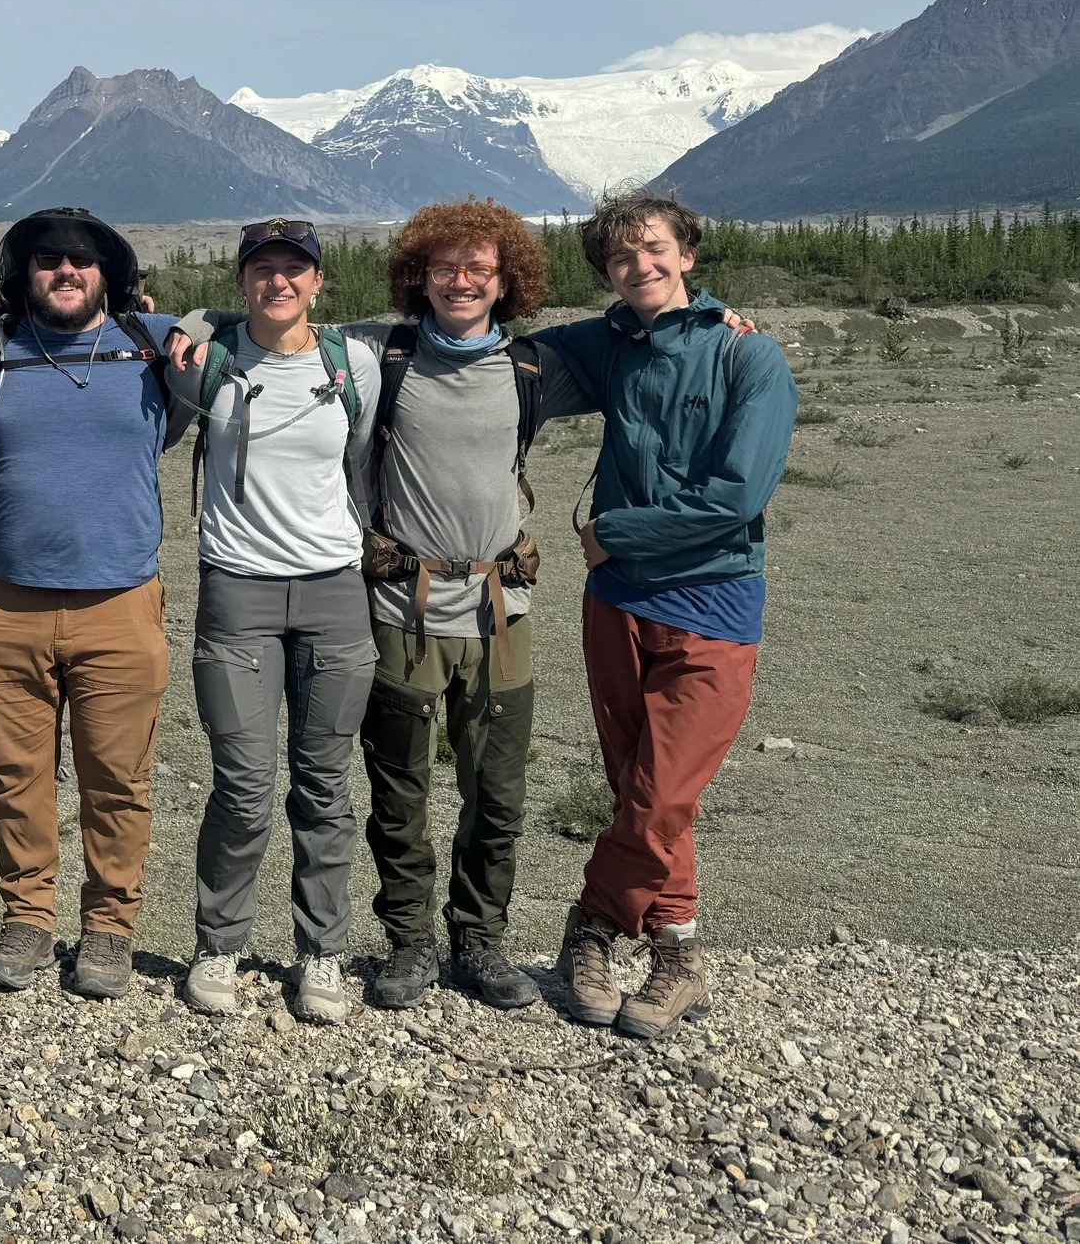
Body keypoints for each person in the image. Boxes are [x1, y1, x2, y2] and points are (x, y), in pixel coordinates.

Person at [531, 193, 794, 1040]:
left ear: (686, 253)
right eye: (619, 257)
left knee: (659, 791)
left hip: (713, 600)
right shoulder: (608, 343)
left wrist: (613, 531)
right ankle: (679, 952)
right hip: (616, 606)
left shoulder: (749, 357)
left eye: (652, 249)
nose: (637, 265)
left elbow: (737, 495)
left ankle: (592, 925)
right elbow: (495, 346)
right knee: (643, 790)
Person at [0, 208, 187, 1003]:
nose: (65, 271)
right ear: (22, 271)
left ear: (108, 272)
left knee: (118, 779)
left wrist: (200, 329)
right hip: (8, 604)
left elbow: (241, 331)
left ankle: (109, 928)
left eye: (80, 260)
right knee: (16, 773)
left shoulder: (151, 341)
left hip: (121, 602)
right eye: (47, 260)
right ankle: (28, 916)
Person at [348, 203, 575, 1015]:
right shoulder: (383, 354)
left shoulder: (534, 366)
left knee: (499, 792)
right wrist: (170, 326)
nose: (462, 280)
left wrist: (722, 317)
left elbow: (637, 338)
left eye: (479, 267)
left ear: (508, 280)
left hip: (501, 610)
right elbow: (273, 322)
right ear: (420, 275)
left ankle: (480, 940)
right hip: (401, 610)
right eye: (445, 266)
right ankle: (409, 944)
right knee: (398, 789)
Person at [159, 221, 381, 1024]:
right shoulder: (208, 360)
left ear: (319, 281)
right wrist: (187, 321)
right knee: (245, 789)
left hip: (334, 593)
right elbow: (157, 328)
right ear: (242, 280)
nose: (279, 282)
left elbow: (358, 448)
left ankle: (321, 953)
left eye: (296, 269)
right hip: (238, 597)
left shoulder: (353, 363)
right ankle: (218, 943)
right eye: (263, 269)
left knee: (324, 786)